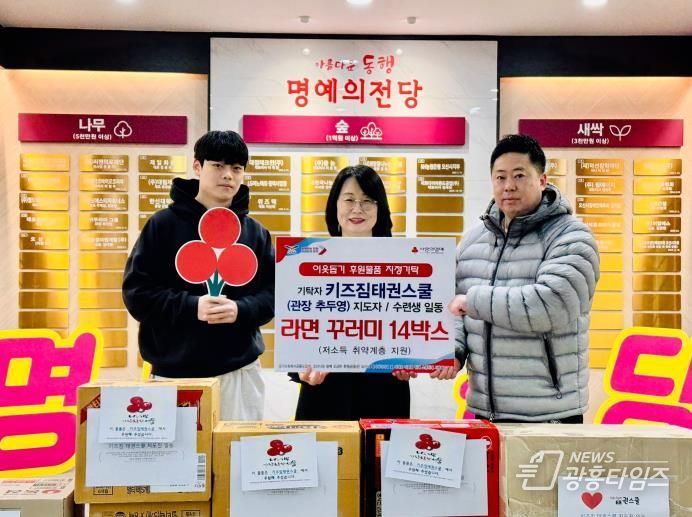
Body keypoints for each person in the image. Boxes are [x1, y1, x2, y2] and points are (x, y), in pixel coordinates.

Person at [122, 130, 274, 421]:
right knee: (180, 452)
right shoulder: (163, 225)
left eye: (236, 168)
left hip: (239, 371)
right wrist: (192, 306)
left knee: (237, 450)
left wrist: (241, 309)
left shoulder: (256, 232)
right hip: (173, 374)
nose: (228, 175)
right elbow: (137, 293)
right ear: (197, 166)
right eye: (218, 165)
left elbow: (274, 294)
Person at [446, 134, 599, 423]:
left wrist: (473, 301)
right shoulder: (472, 241)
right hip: (484, 411)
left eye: (519, 175)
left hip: (550, 414)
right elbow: (454, 307)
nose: (509, 186)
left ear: (542, 180)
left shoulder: (571, 236)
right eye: (500, 177)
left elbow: (550, 306)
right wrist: (453, 350)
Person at [289, 164, 413, 420]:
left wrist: (413, 360)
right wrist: (299, 367)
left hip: (384, 392)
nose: (357, 209)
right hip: (325, 393)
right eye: (349, 200)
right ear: (335, 206)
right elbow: (295, 331)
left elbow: (417, 327)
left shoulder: (403, 264)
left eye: (367, 201)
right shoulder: (308, 261)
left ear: (380, 208)